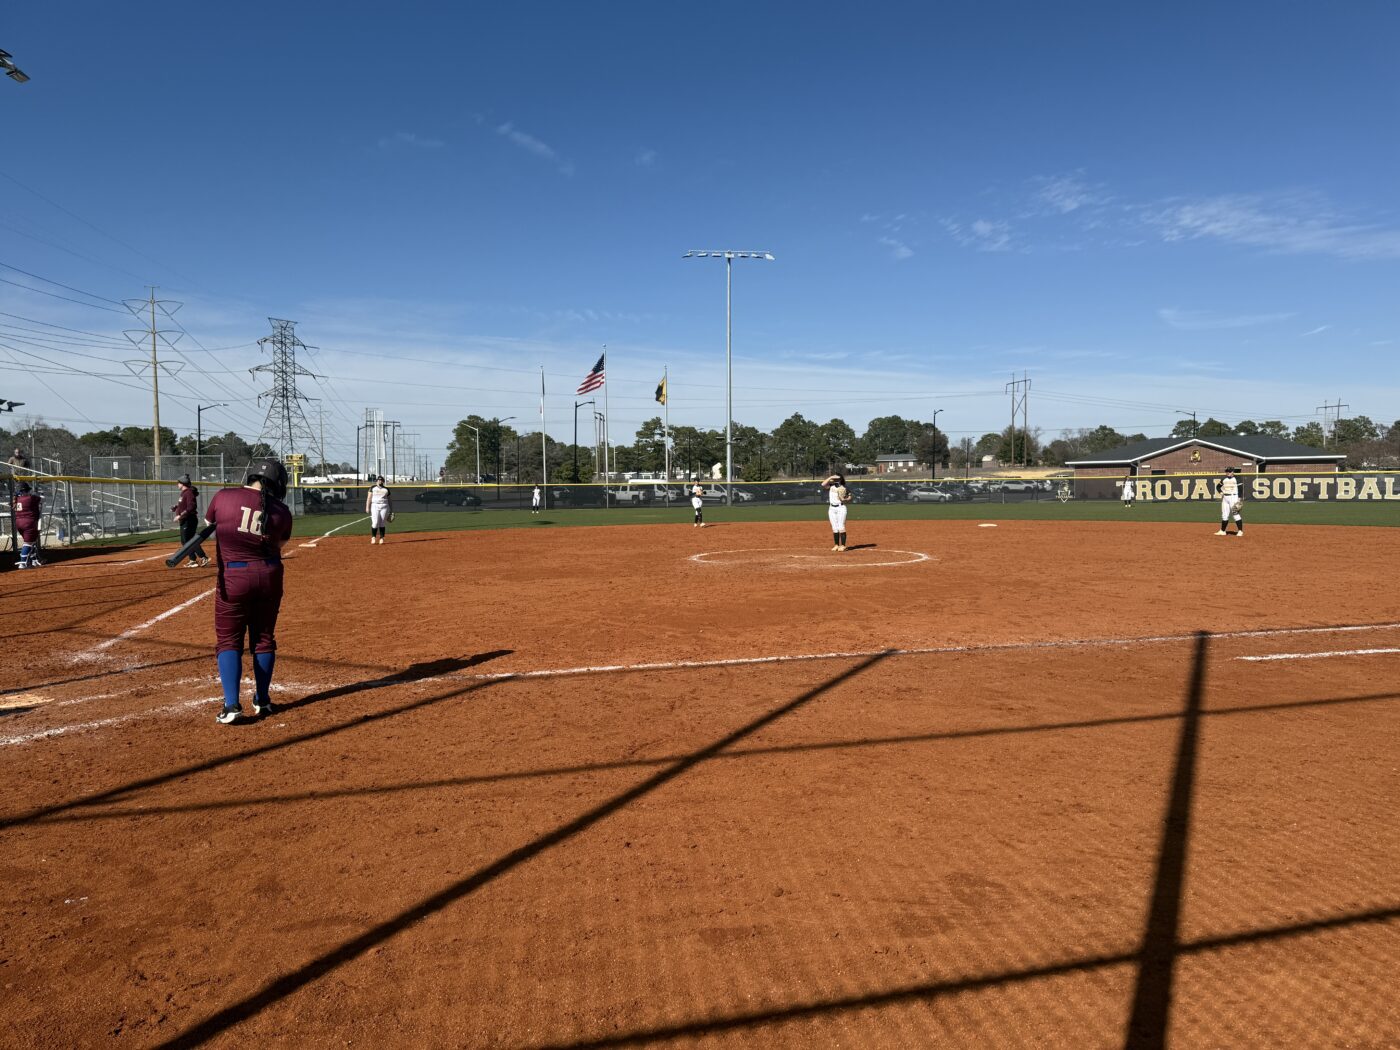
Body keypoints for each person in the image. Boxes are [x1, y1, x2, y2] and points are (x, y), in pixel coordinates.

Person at [205, 458, 293, 724]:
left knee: (229, 640)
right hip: (269, 575)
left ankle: (232, 705)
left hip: (234, 576)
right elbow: (281, 542)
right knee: (264, 638)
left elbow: (210, 524)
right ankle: (263, 700)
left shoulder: (224, 496)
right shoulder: (282, 510)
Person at [172, 474, 209, 567]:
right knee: (186, 541)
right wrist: (176, 507)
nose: (177, 484)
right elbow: (183, 505)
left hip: (189, 520)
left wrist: (180, 515)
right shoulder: (184, 493)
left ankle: (203, 557)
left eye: (178, 483)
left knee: (189, 541)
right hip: (185, 520)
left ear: (183, 483)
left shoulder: (188, 493)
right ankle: (192, 560)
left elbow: (191, 507)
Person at [13, 482, 42, 568]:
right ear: (26, 490)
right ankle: (22, 563)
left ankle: (34, 561)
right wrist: (38, 493)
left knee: (31, 542)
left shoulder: (17, 499)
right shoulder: (30, 498)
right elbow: (40, 499)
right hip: (29, 523)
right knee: (28, 543)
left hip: (19, 523)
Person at [821, 473, 852, 551]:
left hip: (841, 508)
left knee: (841, 526)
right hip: (831, 509)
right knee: (834, 528)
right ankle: (836, 545)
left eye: (836, 478)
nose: (834, 479)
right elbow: (823, 484)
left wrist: (846, 499)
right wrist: (831, 477)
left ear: (840, 479)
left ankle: (843, 545)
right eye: (834, 478)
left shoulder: (844, 487)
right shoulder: (831, 485)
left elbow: (850, 497)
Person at [1215, 466, 1244, 537]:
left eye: (1229, 471)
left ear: (1232, 472)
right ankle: (1222, 531)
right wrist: (1221, 492)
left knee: (1235, 513)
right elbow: (1218, 486)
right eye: (1227, 471)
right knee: (1224, 515)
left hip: (1233, 497)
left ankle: (1240, 531)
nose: (1228, 473)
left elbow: (1240, 489)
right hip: (1225, 498)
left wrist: (1239, 498)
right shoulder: (1224, 479)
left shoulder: (1237, 479)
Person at [366, 475, 391, 544]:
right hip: (374, 506)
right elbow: (369, 498)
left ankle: (382, 538)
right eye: (379, 480)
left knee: (382, 522)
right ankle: (373, 537)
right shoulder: (372, 488)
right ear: (376, 481)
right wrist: (367, 507)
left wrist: (391, 509)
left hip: (384, 506)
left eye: (381, 480)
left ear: (383, 481)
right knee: (375, 522)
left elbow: (389, 500)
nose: (380, 481)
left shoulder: (386, 489)